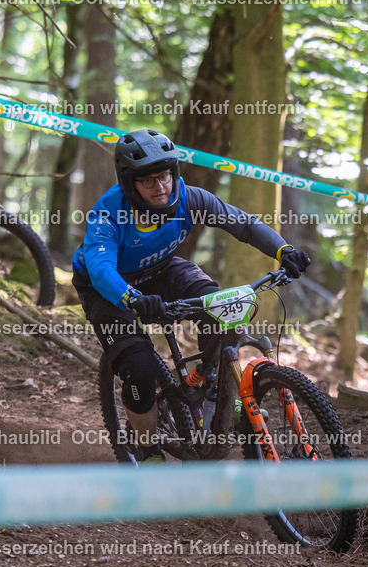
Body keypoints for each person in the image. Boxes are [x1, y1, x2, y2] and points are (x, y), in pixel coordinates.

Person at [72, 129, 310, 462]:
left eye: (165, 175)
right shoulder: (109, 214)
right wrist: (132, 298)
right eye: (149, 180)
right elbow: (100, 270)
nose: (161, 187)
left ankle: (212, 393)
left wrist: (283, 250)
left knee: (224, 310)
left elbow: (243, 224)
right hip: (108, 288)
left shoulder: (190, 198)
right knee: (138, 364)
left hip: (162, 268)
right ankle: (146, 446)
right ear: (129, 182)